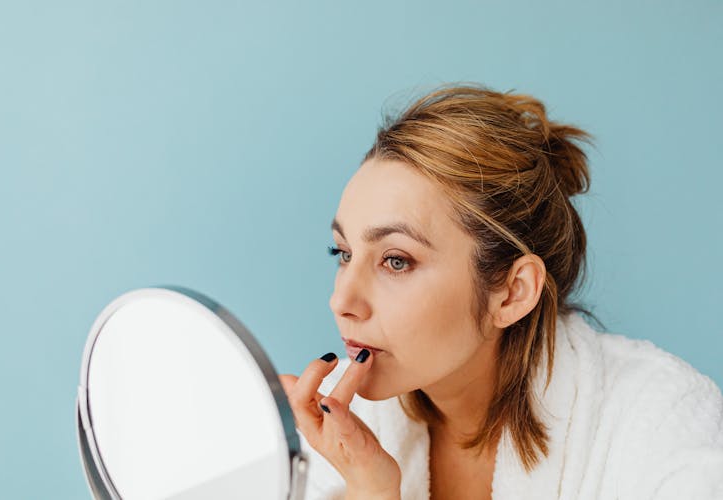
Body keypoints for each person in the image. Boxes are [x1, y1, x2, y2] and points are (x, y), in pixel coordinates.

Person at [278, 84, 723, 500]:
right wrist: (372, 489)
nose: (341, 302)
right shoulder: (338, 436)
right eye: (343, 253)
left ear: (512, 292)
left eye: (396, 261)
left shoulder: (659, 423)